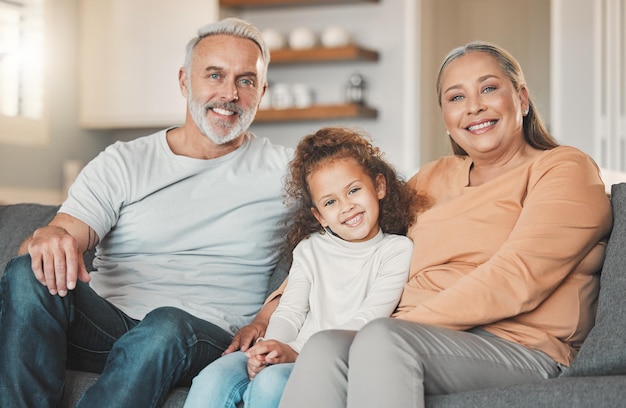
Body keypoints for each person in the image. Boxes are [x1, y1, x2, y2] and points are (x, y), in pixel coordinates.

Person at [277, 41, 613, 408]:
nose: (474, 107)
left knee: (380, 340)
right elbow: (352, 238)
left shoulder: (563, 168)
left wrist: (399, 325)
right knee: (326, 345)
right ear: (445, 118)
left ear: (522, 98)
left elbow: (518, 278)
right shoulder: (431, 178)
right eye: (456, 97)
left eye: (488, 88)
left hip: (521, 346)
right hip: (412, 337)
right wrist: (272, 311)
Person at [0, 18, 294, 408]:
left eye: (245, 80)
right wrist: (49, 237)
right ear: (185, 81)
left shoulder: (289, 172)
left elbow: (356, 214)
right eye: (214, 75)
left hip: (202, 334)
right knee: (26, 269)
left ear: (262, 92)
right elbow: (66, 233)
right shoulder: (124, 161)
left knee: (165, 323)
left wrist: (267, 316)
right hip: (107, 326)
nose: (229, 93)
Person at [183, 127, 426, 408]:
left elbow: (367, 320)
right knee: (212, 377)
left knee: (271, 383)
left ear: (379, 186)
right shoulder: (310, 249)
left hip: (335, 358)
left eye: (354, 190)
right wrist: (268, 350)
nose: (347, 206)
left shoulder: (396, 250)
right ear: (320, 216)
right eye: (331, 202)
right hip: (289, 348)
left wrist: (291, 353)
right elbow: (290, 311)